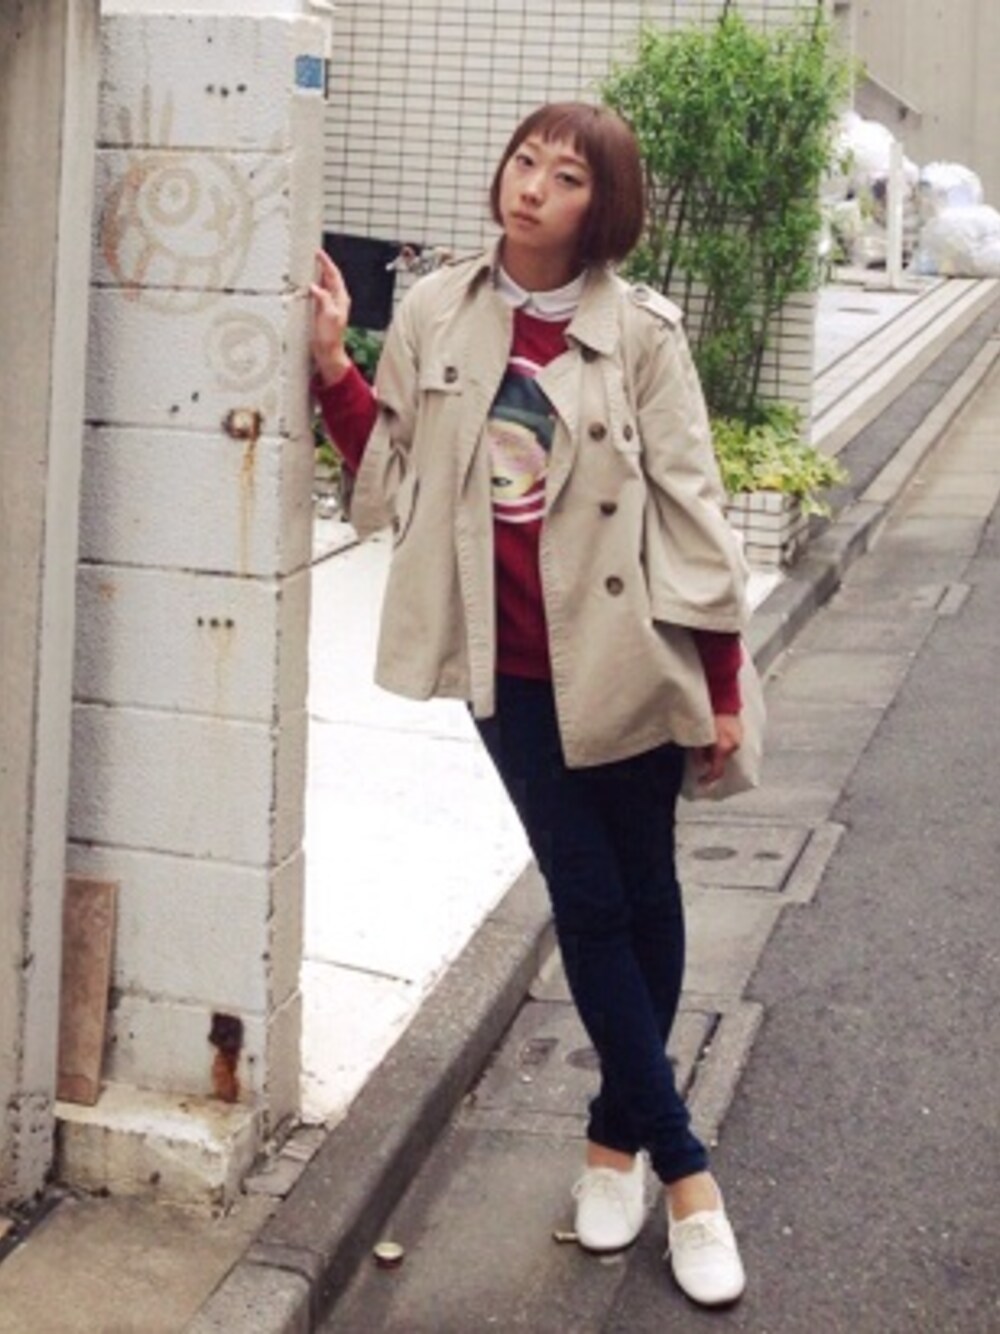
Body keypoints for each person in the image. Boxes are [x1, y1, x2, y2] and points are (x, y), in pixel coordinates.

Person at [310, 101, 754, 1308]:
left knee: (644, 892)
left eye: (565, 176)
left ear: (600, 207)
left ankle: (613, 1144)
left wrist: (720, 685)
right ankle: (688, 1175)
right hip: (506, 665)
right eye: (524, 162)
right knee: (590, 897)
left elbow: (693, 509)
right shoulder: (439, 310)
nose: (533, 188)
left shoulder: (641, 333)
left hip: (629, 652)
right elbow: (388, 473)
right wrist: (335, 366)